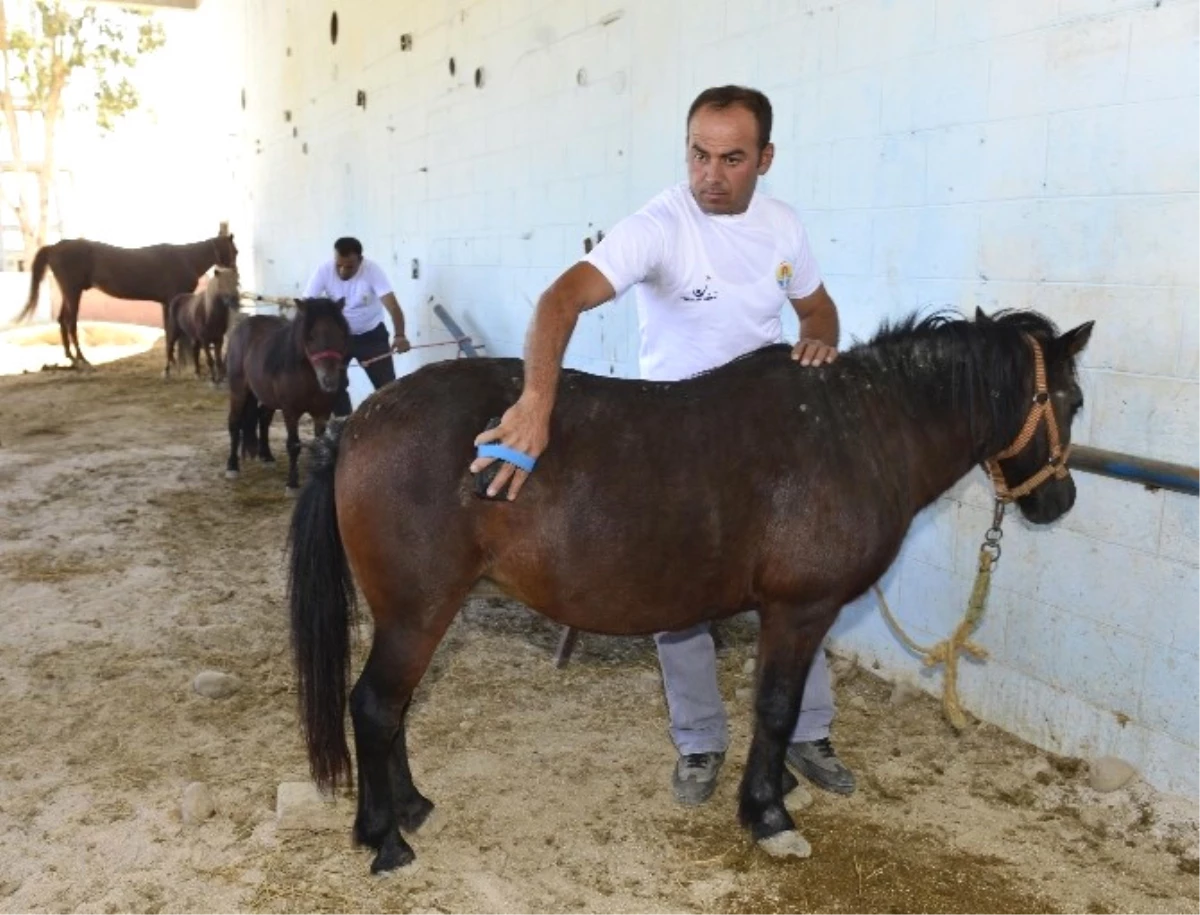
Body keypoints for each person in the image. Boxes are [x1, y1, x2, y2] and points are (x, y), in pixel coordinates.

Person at [469, 85, 857, 806]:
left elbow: (818, 306)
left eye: (732, 159)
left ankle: (808, 730)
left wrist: (819, 344)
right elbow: (559, 300)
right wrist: (536, 401)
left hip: (769, 441)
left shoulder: (783, 226)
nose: (710, 174)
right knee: (680, 600)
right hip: (676, 442)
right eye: (698, 154)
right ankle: (701, 740)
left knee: (801, 585)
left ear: (765, 159)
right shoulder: (659, 225)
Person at [302, 236, 410, 417]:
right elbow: (306, 306)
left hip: (371, 336)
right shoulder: (324, 271)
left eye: (349, 266)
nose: (343, 270)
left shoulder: (372, 271)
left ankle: (387, 429)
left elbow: (392, 305)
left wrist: (400, 335)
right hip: (338, 340)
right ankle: (344, 427)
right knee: (334, 388)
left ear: (360, 260)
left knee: (388, 389)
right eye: (339, 265)